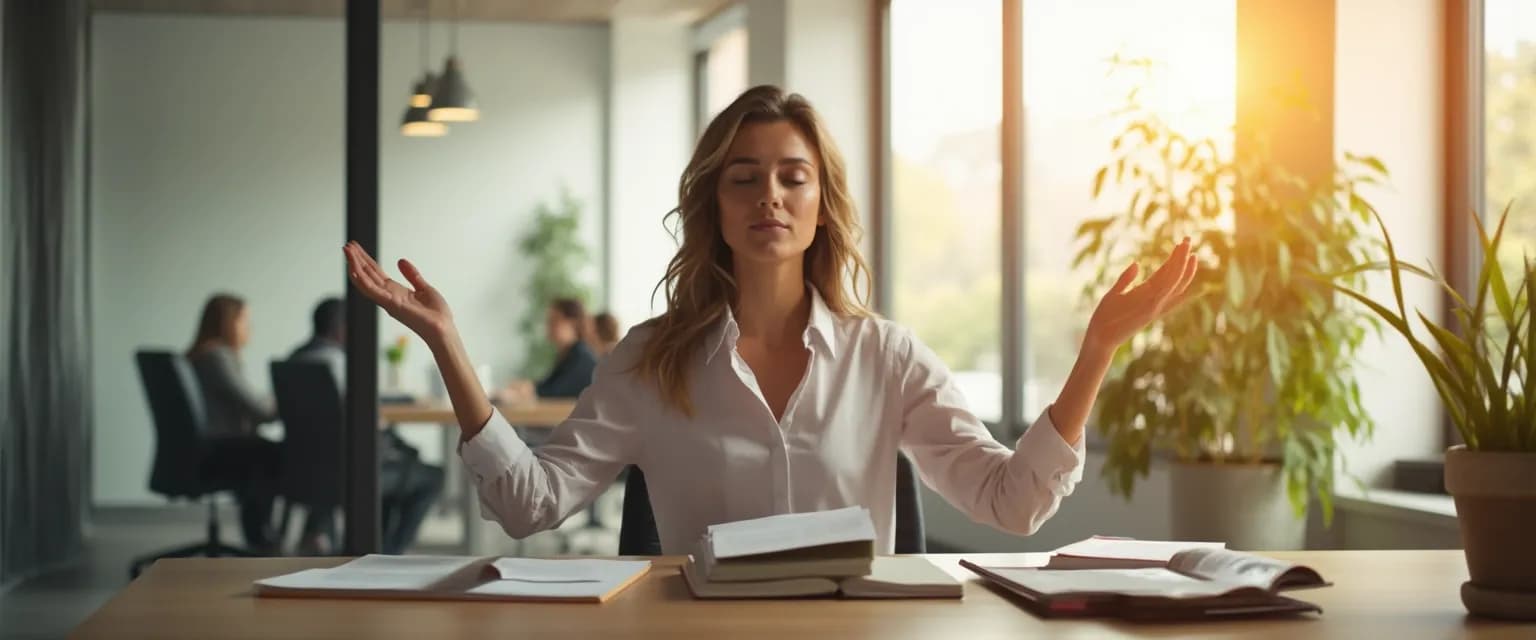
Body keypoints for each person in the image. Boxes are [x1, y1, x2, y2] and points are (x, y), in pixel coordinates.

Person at [343, 85, 1197, 554]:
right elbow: (529, 507)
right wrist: (450, 347)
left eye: (793, 176)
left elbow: (1012, 505)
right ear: (712, 203)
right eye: (743, 177)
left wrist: (1096, 351)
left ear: (821, 204)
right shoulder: (648, 363)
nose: (770, 197)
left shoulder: (886, 357)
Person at [288, 297, 444, 555]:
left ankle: (366, 545)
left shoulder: (296, 359)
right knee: (432, 476)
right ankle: (391, 553)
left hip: (304, 471)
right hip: (351, 475)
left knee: (401, 458)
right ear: (342, 329)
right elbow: (364, 418)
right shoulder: (338, 365)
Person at [186, 293, 282, 552]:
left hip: (208, 446)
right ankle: (261, 540)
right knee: (271, 454)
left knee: (264, 451)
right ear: (227, 323)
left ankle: (263, 538)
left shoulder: (204, 355)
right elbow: (256, 409)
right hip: (217, 449)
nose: (249, 328)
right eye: (244, 321)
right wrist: (290, 400)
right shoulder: (216, 357)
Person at [498, 298, 599, 403]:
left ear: (573, 323)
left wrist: (527, 389)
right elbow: (546, 385)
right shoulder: (568, 353)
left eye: (554, 320)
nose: (548, 325)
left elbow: (552, 393)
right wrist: (525, 387)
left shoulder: (581, 357)